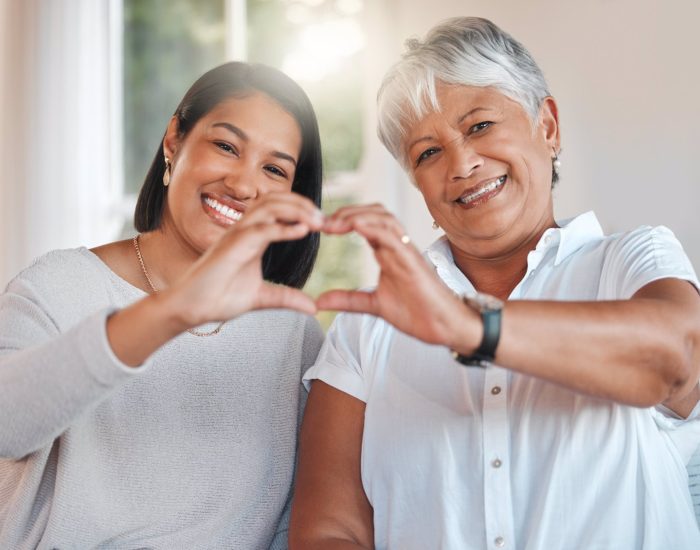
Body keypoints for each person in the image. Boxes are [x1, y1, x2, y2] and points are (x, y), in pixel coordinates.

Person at [290, 17, 700, 549]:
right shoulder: (365, 330)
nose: (462, 163)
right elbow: (330, 530)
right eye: (428, 153)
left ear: (547, 127)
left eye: (479, 126)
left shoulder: (630, 261)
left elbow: (679, 359)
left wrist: (472, 327)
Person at [0, 61, 325, 549]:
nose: (242, 185)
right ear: (174, 140)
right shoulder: (58, 287)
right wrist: (174, 309)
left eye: (274, 169)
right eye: (226, 146)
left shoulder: (292, 333)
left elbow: (293, 521)